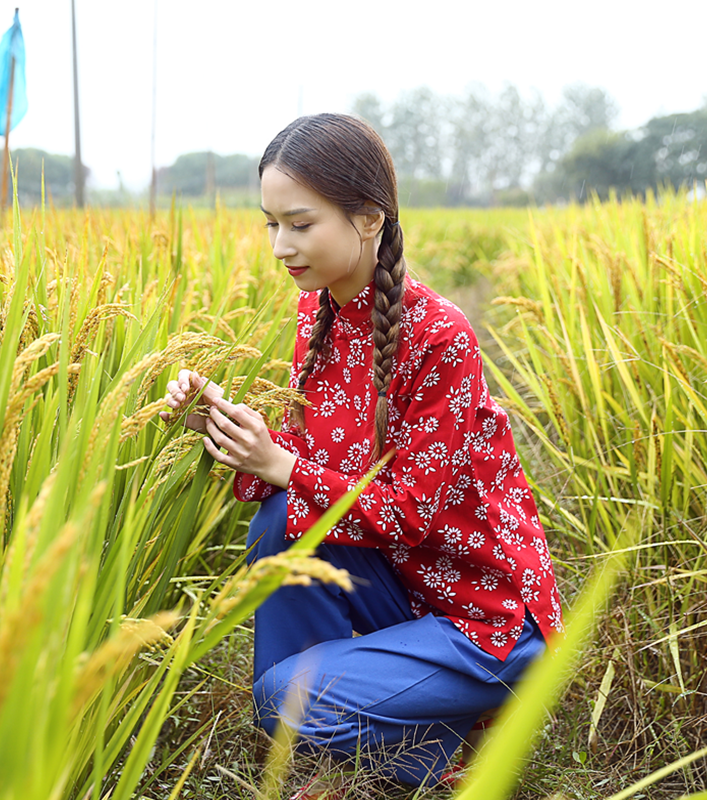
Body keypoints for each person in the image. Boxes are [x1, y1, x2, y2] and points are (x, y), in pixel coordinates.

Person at [162, 113, 563, 796]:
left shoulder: (440, 336)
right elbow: (313, 468)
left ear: (370, 217)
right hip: (406, 590)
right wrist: (233, 428)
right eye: (270, 224)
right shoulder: (315, 313)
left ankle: (458, 743)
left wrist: (281, 464)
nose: (280, 245)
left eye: (300, 222)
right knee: (281, 519)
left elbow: (412, 514)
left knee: (284, 698)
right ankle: (327, 741)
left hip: (482, 616)